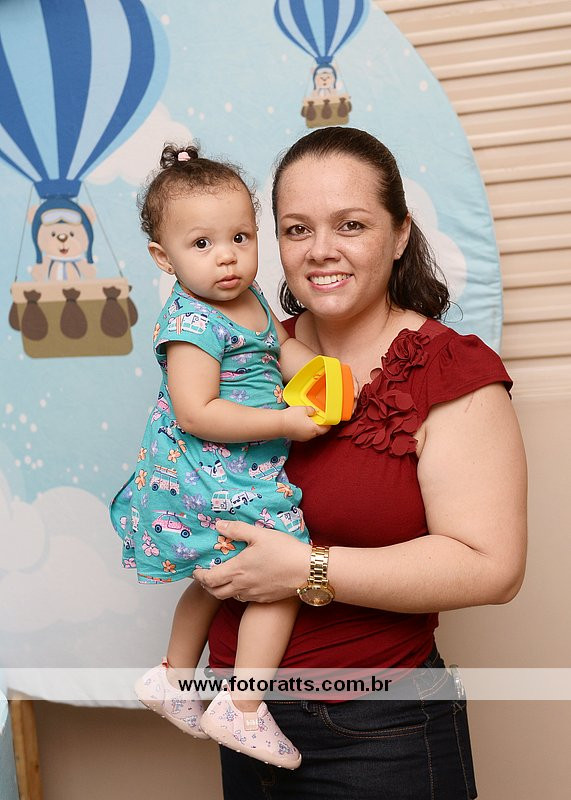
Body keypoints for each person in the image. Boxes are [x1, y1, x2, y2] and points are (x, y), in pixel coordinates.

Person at [196, 127, 528, 799]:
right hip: (239, 717)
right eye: (297, 229)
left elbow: (493, 568)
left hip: (381, 729)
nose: (320, 250)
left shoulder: (448, 370)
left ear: (400, 233)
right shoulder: (241, 354)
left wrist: (305, 568)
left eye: (350, 224)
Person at [110, 143, 337, 770]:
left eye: (240, 237)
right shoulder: (191, 324)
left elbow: (279, 353)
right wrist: (286, 421)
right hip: (206, 474)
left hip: (235, 470)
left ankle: (174, 677)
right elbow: (196, 412)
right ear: (164, 258)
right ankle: (242, 709)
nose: (228, 256)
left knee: (215, 578)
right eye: (202, 244)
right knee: (283, 574)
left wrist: (320, 375)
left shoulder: (250, 299)